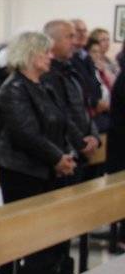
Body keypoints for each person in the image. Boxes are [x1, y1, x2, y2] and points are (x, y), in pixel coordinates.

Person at [0, 31, 81, 274]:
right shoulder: (12, 89)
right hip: (22, 173)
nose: (50, 57)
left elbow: (60, 122)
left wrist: (69, 152)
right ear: (31, 55)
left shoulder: (43, 86)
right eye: (45, 52)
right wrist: (57, 159)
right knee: (23, 237)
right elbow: (26, 133)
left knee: (49, 237)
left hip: (47, 170)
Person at [41, 20, 99, 168]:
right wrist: (81, 143)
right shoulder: (45, 75)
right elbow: (60, 115)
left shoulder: (72, 69)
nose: (75, 41)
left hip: (81, 148)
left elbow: (85, 107)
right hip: (63, 153)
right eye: (70, 37)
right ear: (52, 41)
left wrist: (94, 137)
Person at [87, 28, 117, 133]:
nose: (107, 43)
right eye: (103, 40)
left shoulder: (110, 61)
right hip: (99, 110)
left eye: (108, 39)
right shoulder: (90, 68)